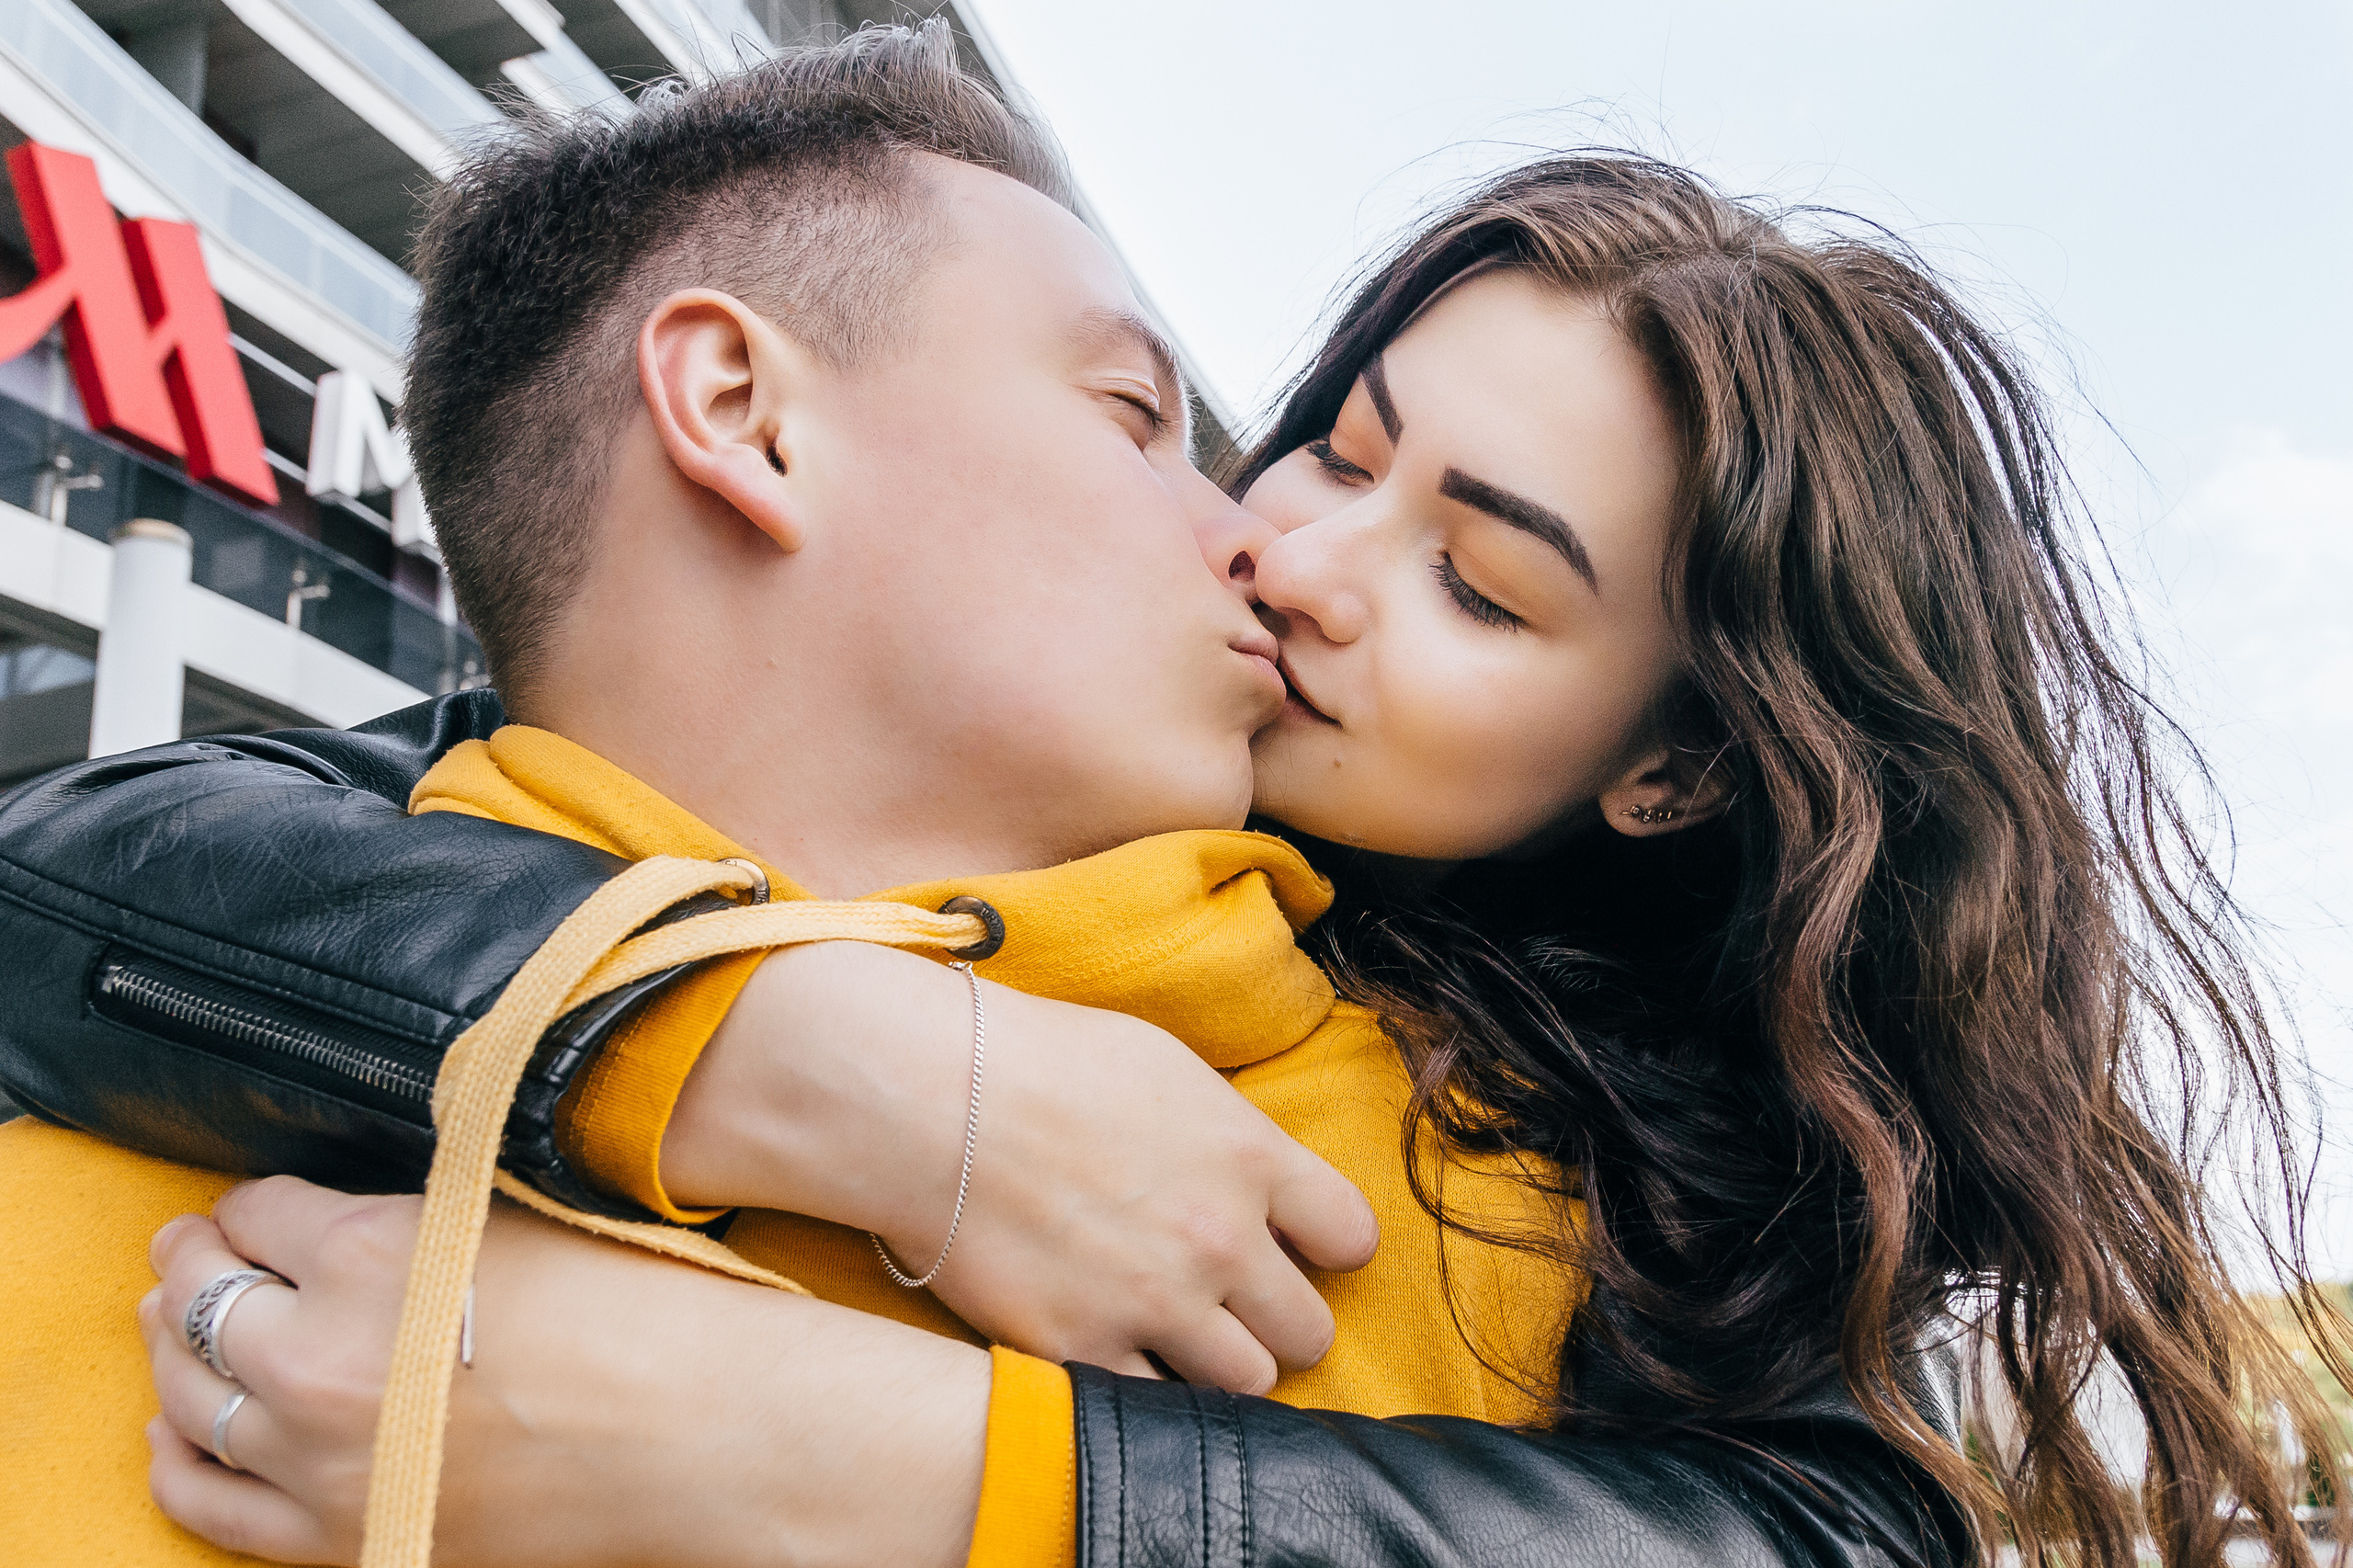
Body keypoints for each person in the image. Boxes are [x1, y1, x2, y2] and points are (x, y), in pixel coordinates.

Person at [2, 25, 2336, 1568]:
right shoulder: (552, 843)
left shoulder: (1575, 1197)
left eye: (1480, 588)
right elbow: (107, 877)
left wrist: (888, 1461)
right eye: (1321, 439)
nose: (1288, 553)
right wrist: (805, 1057)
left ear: (1670, 771)